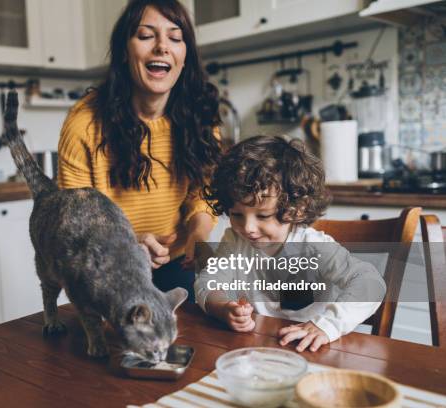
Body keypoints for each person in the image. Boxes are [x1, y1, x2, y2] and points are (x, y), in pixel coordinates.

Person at [58, 0, 221, 301]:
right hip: (107, 266)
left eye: (175, 37)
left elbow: (204, 191)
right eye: (146, 36)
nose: (162, 47)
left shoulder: (200, 116)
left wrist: (198, 236)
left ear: (185, 57)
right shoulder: (84, 123)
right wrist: (127, 245)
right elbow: (75, 222)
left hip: (178, 264)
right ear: (124, 51)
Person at [195, 136, 386, 352]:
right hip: (257, 348)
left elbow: (371, 283)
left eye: (263, 216)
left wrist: (325, 325)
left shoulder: (312, 247)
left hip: (310, 349)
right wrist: (222, 308)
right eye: (237, 215)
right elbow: (209, 281)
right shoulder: (234, 241)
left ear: (297, 209)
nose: (247, 227)